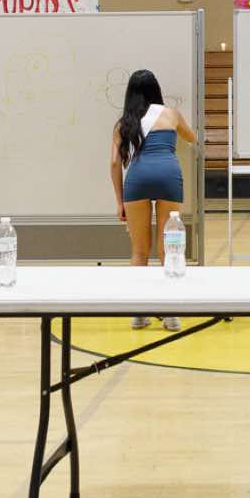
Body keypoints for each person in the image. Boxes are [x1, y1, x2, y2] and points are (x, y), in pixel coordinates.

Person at [110, 68, 197, 331]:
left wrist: (119, 201)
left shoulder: (124, 124)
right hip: (168, 177)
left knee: (139, 251)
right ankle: (170, 316)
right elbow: (192, 138)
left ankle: (138, 315)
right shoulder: (171, 114)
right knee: (168, 250)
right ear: (156, 90)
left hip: (137, 180)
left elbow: (114, 163)